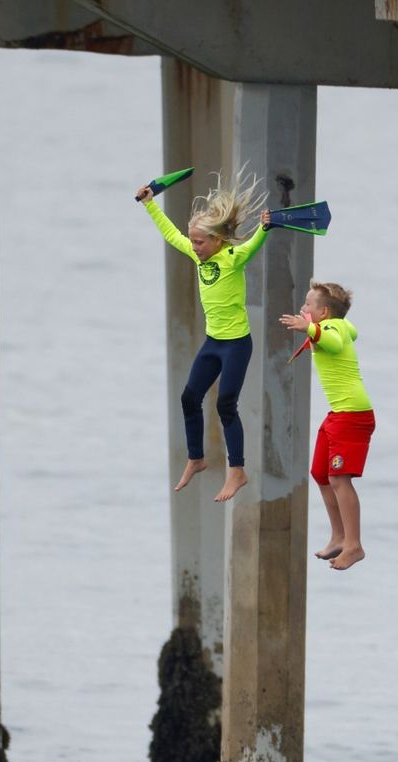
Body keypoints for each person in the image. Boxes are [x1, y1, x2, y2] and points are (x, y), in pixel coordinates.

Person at [136, 172, 270, 502]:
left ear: (218, 241)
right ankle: (196, 458)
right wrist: (150, 204)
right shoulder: (199, 257)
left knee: (226, 403)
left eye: (200, 242)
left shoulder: (232, 259)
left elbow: (253, 244)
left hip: (237, 344)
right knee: (188, 398)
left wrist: (266, 227)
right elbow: (171, 236)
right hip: (213, 344)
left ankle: (236, 470)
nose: (194, 247)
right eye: (193, 242)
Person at [279, 282, 375, 571]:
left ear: (323, 312)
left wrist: (309, 328)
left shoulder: (331, 331)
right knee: (321, 473)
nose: (302, 309)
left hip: (353, 415)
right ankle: (339, 536)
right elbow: (351, 331)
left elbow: (332, 341)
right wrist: (314, 326)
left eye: (308, 305)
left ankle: (354, 545)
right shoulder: (340, 326)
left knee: (339, 478)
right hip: (338, 414)